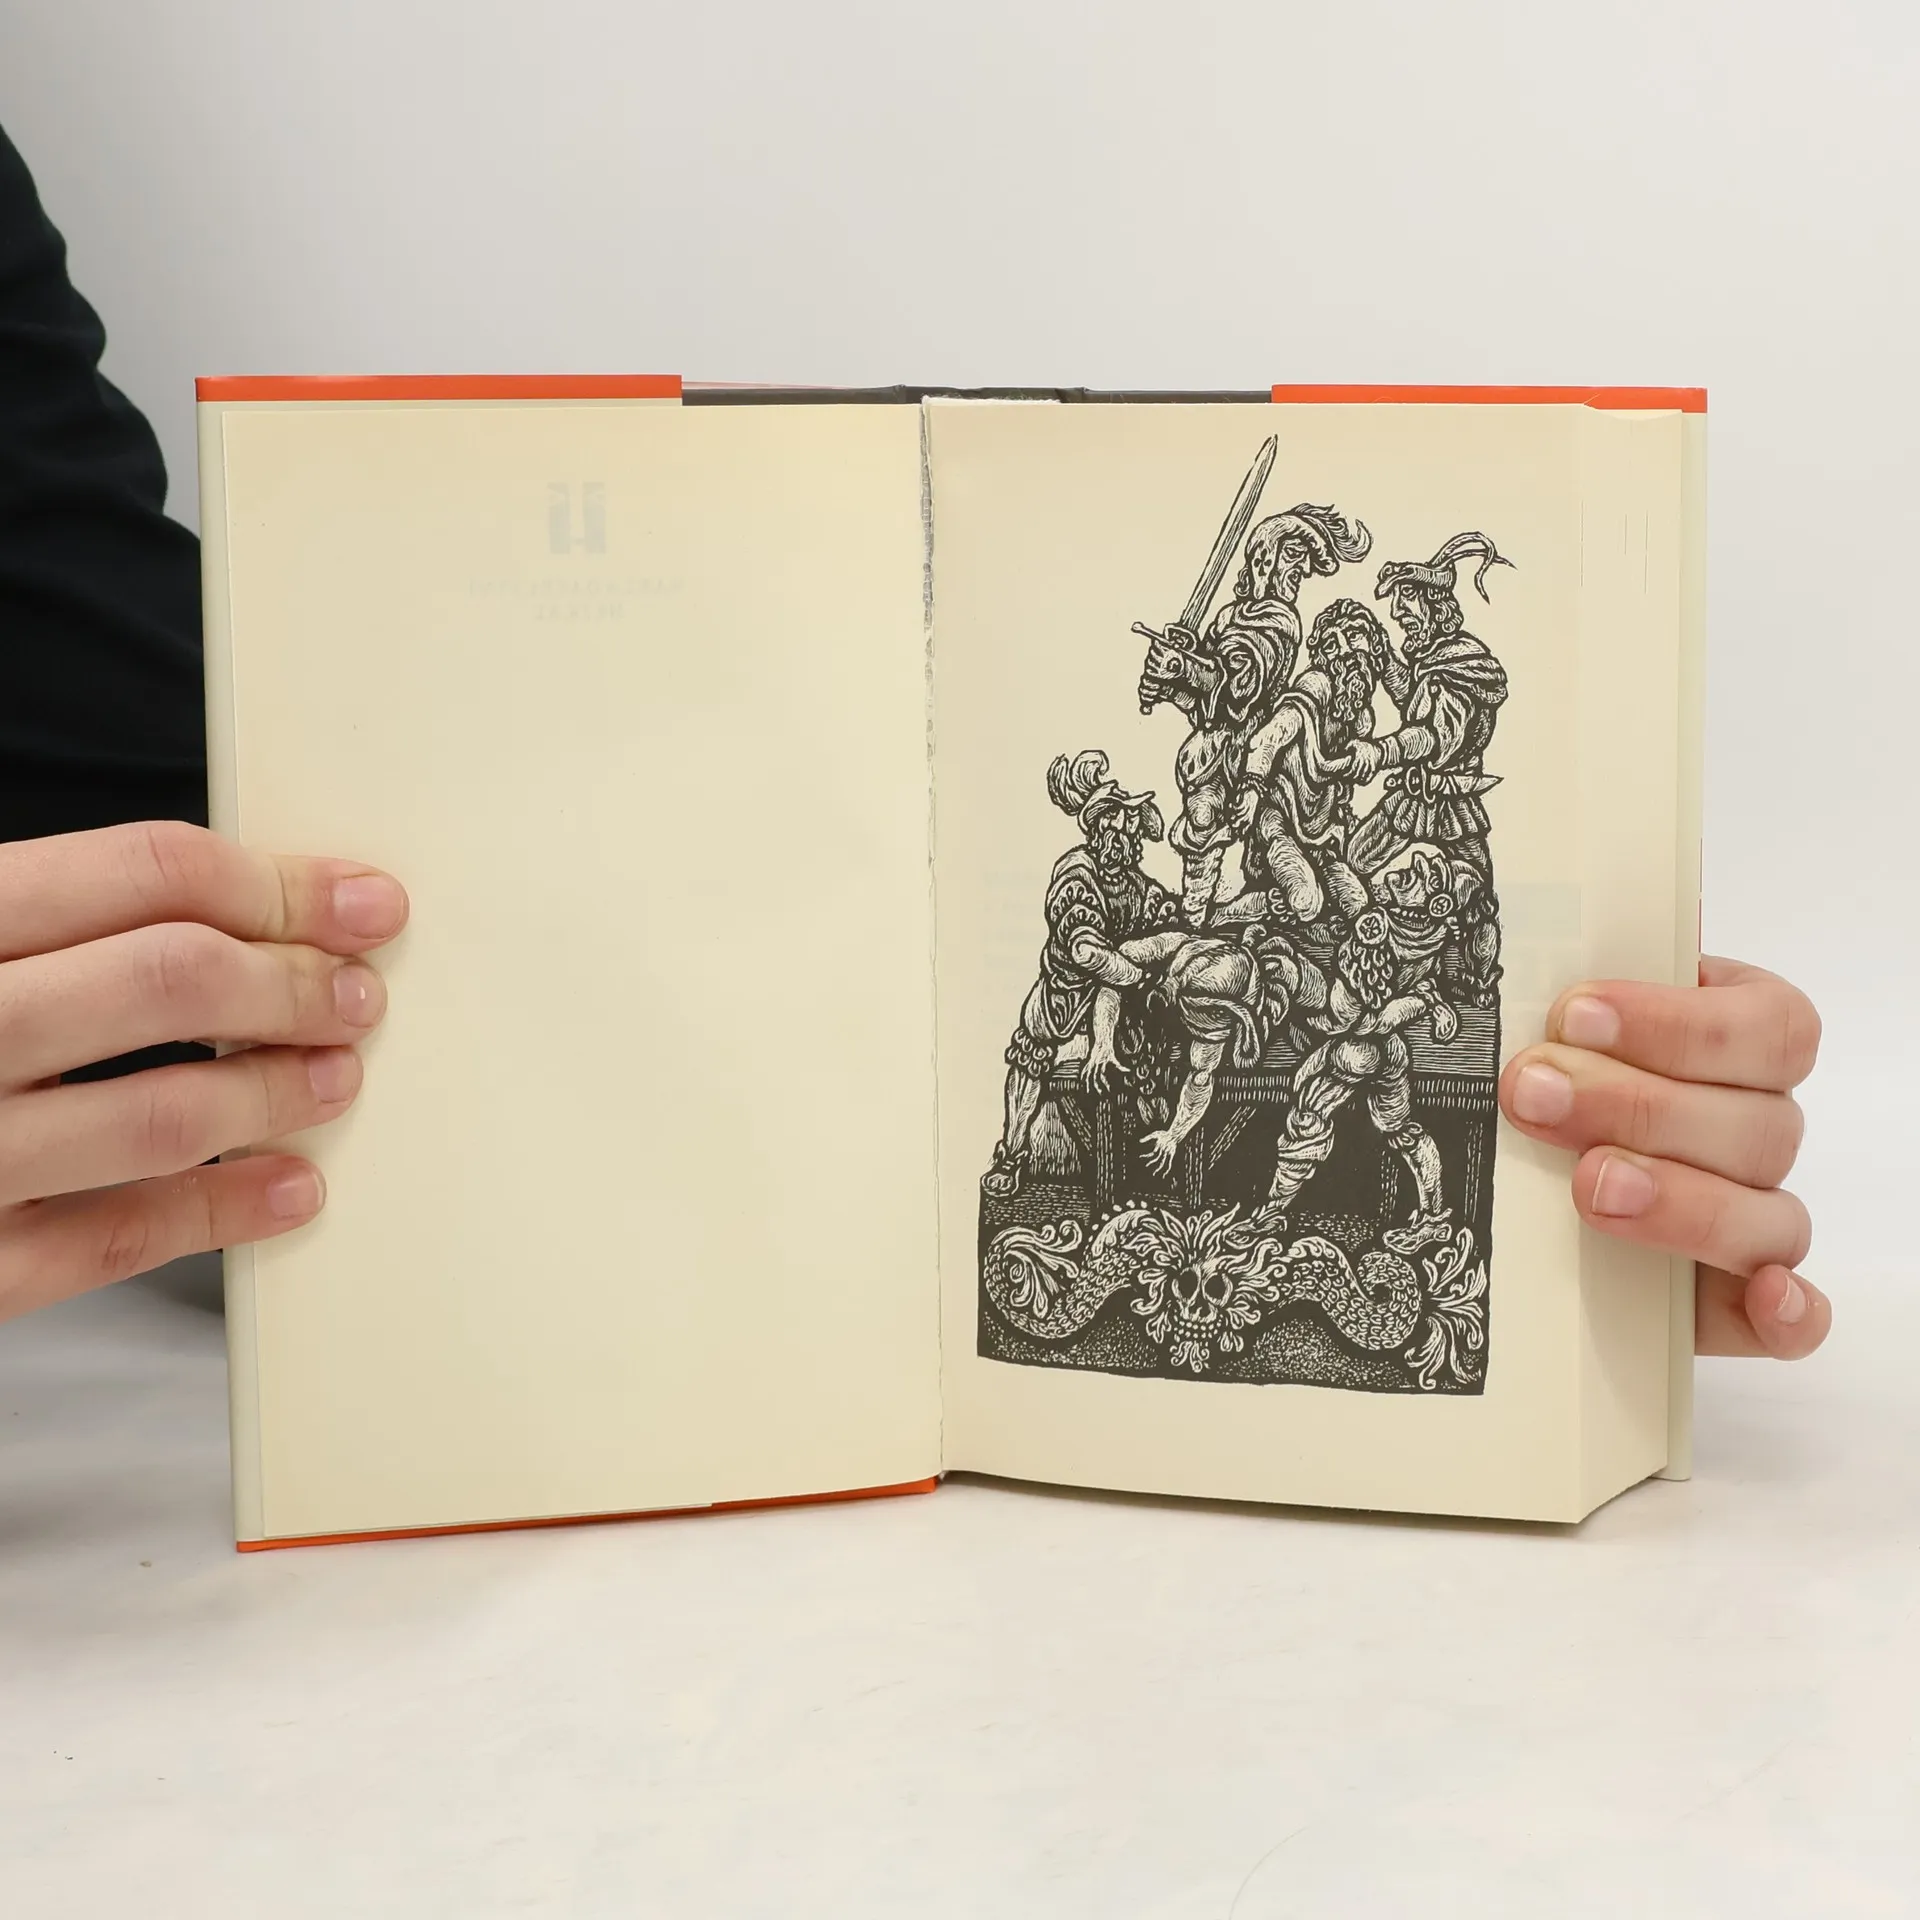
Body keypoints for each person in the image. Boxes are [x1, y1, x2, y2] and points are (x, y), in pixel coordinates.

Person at [0, 123, 1828, 1363]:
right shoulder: (1210, 800)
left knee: (1285, 1066)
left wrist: (1575, 1183)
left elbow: (205, 898)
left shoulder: (1325, 773)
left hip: (1284, 961)